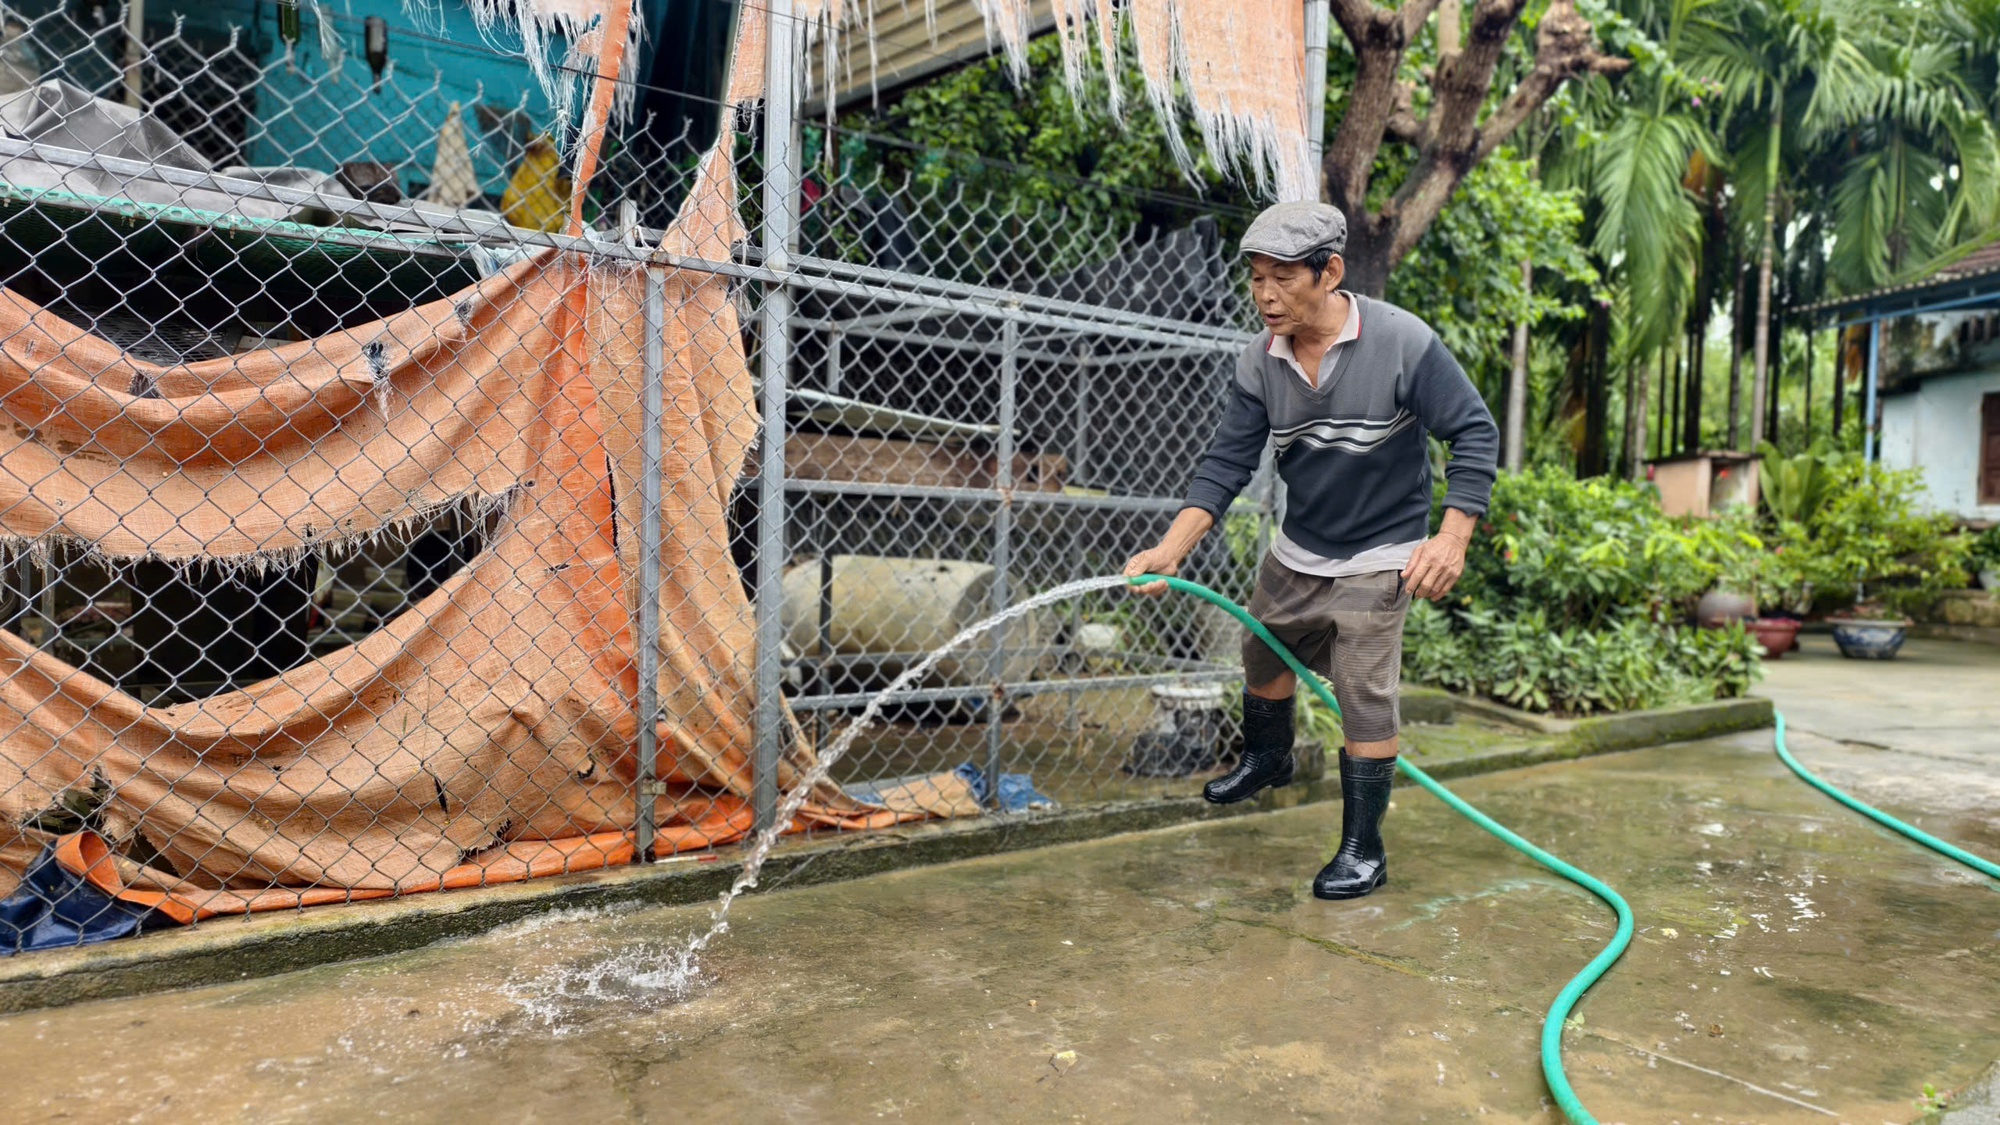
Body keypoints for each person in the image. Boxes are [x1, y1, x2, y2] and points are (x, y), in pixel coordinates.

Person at [1124, 201, 1498, 900]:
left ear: (1330, 272)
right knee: (1262, 651)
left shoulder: (1401, 342)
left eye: (1282, 278)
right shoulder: (1261, 362)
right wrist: (1170, 549)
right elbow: (1225, 464)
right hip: (1301, 548)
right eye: (1256, 278)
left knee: (1363, 692)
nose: (1265, 295)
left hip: (1381, 551)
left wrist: (1452, 537)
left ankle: (1364, 847)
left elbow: (1474, 432)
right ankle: (1268, 756)